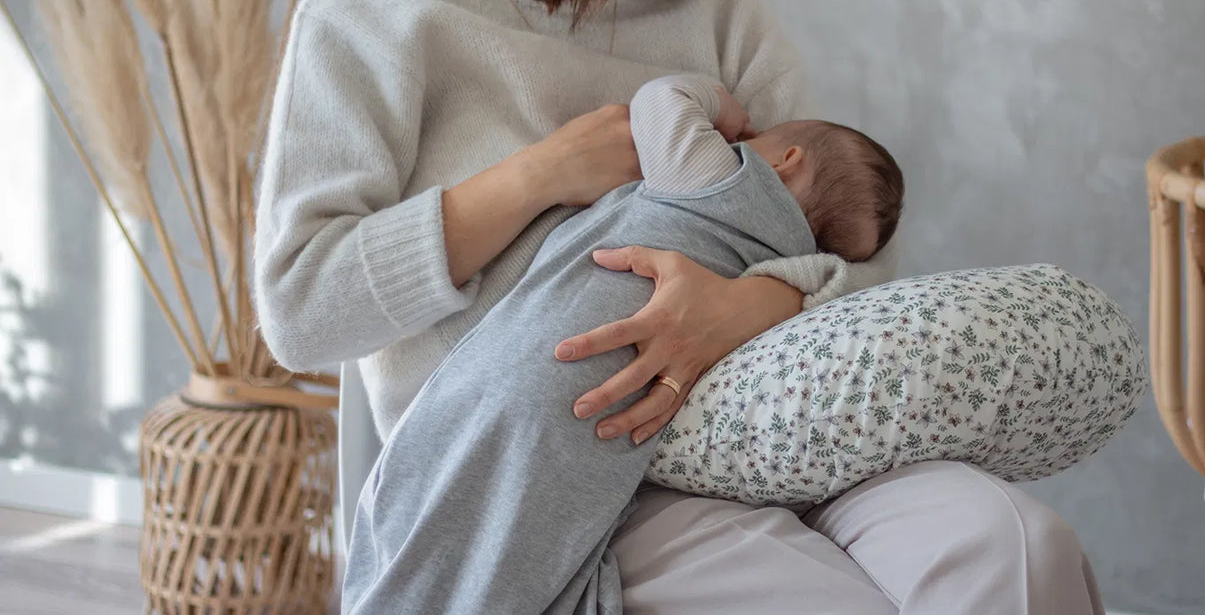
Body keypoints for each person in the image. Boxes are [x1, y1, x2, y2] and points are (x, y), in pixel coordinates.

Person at [254, 0, 1104, 612]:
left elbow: (856, 246)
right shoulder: (380, 12)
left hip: (782, 414)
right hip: (579, 463)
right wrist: (538, 175)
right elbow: (303, 310)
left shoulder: (729, 23)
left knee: (1018, 550)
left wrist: (749, 305)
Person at [342, 74, 904, 613]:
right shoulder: (785, 265)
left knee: (428, 519)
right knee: (535, 554)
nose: (740, 141)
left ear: (786, 159)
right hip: (607, 427)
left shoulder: (730, 181)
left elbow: (660, 102)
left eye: (755, 139)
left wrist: (718, 103)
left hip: (535, 368)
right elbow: (855, 288)